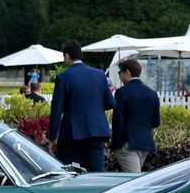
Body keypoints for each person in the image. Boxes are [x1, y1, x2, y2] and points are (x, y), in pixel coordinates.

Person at [47, 40, 114, 172]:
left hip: (72, 132)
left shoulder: (63, 77)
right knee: (98, 171)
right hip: (96, 130)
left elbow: (56, 110)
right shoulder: (99, 75)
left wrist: (51, 138)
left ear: (67, 56)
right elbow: (111, 103)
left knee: (69, 172)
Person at [110, 58, 161, 173]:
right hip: (145, 142)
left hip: (127, 143)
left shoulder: (122, 92)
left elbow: (118, 120)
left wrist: (115, 144)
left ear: (127, 72)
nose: (119, 76)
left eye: (120, 73)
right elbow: (156, 121)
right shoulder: (152, 93)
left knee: (133, 182)